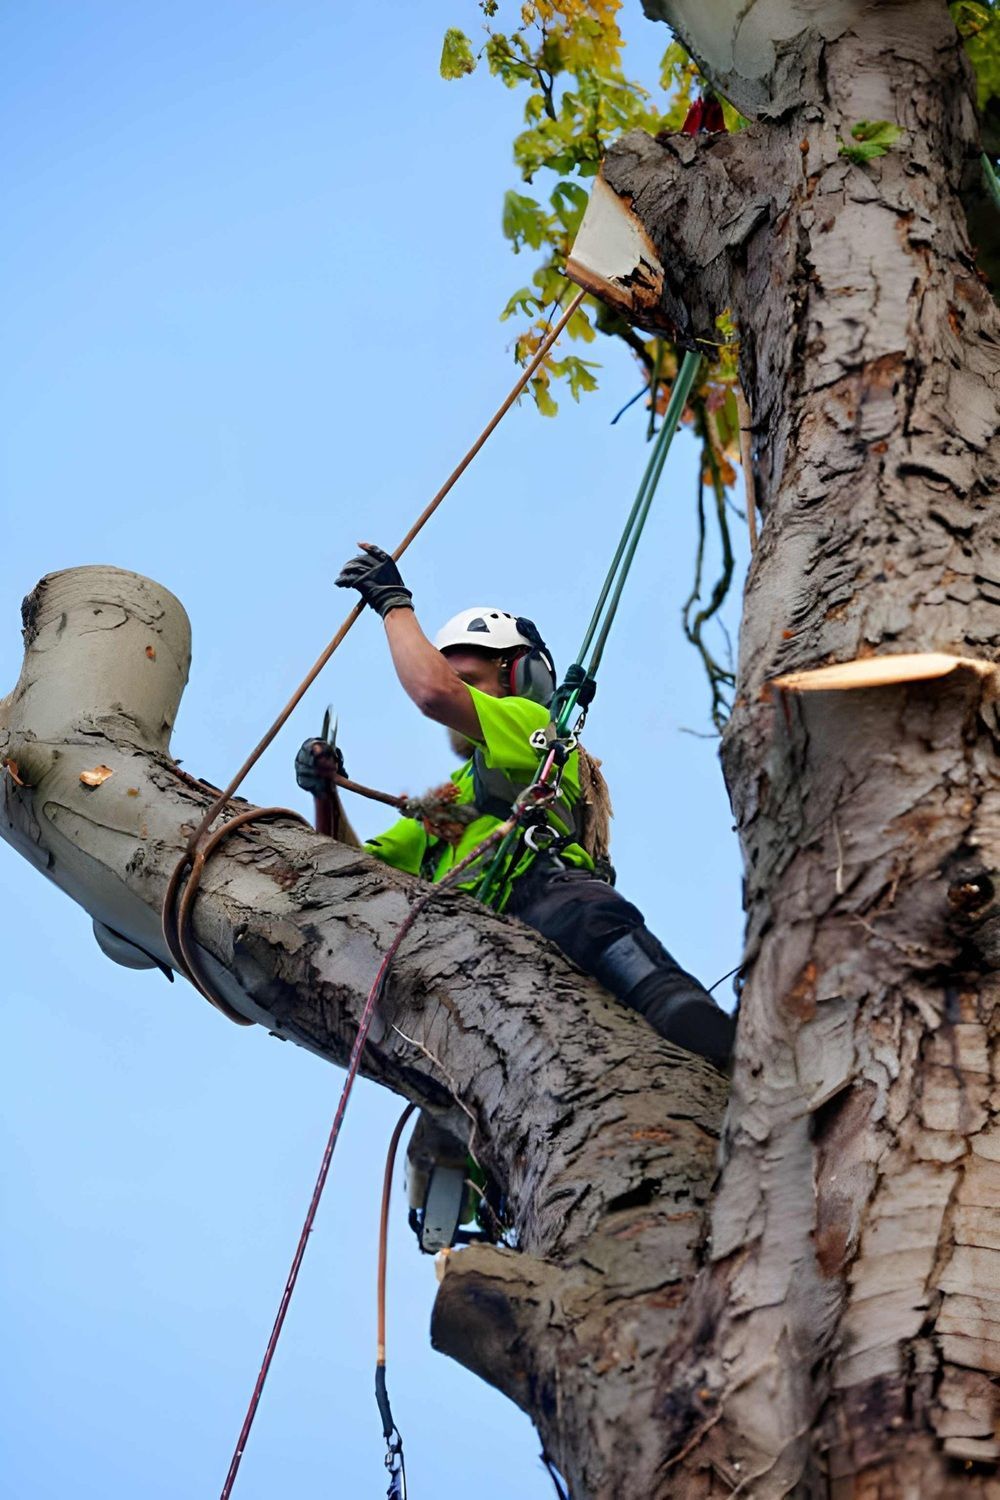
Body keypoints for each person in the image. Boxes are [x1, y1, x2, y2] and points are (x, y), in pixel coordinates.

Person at [296, 543, 735, 1072]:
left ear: (519, 679)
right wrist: (326, 794)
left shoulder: (535, 731)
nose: (457, 695)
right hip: (480, 963)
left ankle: (717, 1054)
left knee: (676, 1012)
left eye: (471, 682)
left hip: (558, 907)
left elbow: (432, 692)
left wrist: (393, 603)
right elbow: (354, 874)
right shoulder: (449, 804)